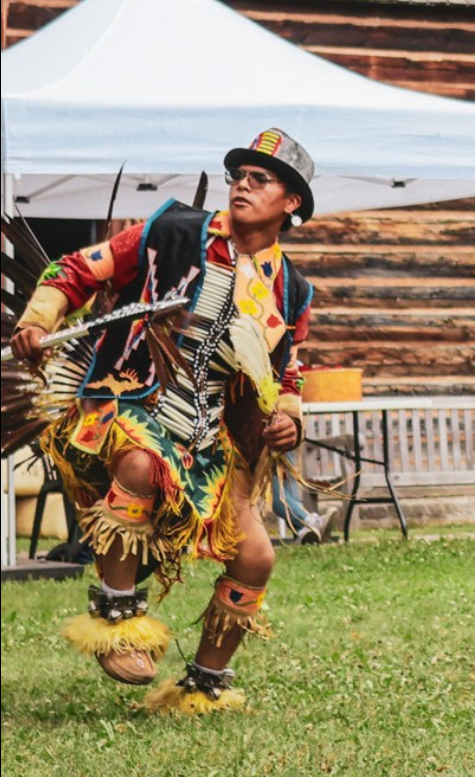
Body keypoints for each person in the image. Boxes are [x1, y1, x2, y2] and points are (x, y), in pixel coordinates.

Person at [7, 128, 317, 713]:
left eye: (260, 180)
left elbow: (291, 369)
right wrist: (40, 316)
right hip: (126, 403)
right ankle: (117, 616)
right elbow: (77, 268)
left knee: (255, 555)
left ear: (291, 202)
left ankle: (202, 685)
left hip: (209, 436)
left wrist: (289, 418)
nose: (242, 187)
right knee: (144, 463)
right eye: (238, 177)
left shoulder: (291, 289)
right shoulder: (172, 231)